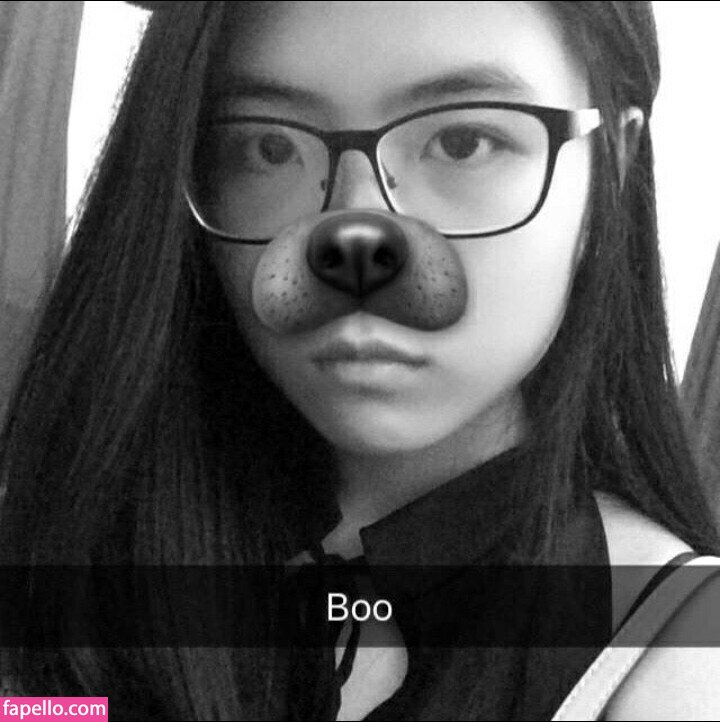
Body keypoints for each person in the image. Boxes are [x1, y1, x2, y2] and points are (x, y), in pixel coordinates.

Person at [1, 1, 719, 720]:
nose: (353, 250)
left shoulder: (678, 653)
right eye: (268, 148)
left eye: (464, 141)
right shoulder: (78, 536)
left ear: (612, 167)